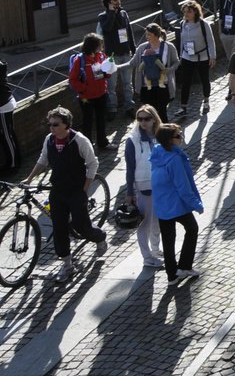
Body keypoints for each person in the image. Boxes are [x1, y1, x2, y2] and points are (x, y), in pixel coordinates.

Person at [28, 106, 107, 283]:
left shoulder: (79, 141)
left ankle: (100, 237)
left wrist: (85, 189)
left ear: (66, 125)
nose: (52, 128)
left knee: (81, 226)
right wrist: (29, 178)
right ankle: (66, 264)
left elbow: (93, 164)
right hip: (58, 190)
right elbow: (43, 160)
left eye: (55, 124)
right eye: (50, 124)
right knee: (59, 228)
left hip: (76, 190)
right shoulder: (49, 140)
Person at [150, 122, 204, 284]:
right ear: (169, 140)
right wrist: (196, 204)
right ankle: (185, 266)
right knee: (192, 229)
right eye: (178, 136)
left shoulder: (157, 153)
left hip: (162, 205)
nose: (181, 138)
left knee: (168, 240)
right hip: (176, 204)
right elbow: (183, 186)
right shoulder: (174, 159)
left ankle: (172, 275)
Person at [121, 105, 162, 267]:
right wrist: (130, 192)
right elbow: (130, 168)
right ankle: (147, 257)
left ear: (154, 119)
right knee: (145, 222)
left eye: (146, 119)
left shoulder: (160, 135)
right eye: (140, 119)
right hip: (144, 183)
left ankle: (155, 248)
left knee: (157, 218)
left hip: (160, 183)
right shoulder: (133, 140)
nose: (143, 122)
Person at [66, 32, 114, 150]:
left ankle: (103, 142)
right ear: (92, 46)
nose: (101, 47)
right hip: (86, 97)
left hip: (101, 93)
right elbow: (72, 79)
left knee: (101, 120)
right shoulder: (80, 60)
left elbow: (106, 72)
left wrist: (108, 72)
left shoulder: (101, 56)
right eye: (99, 45)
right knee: (87, 121)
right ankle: (86, 146)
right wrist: (84, 89)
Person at [97, 0, 139, 114]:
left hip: (126, 53)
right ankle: (112, 108)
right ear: (108, 2)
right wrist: (111, 12)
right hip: (111, 56)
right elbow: (108, 28)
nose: (118, 1)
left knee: (128, 83)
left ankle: (129, 106)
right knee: (111, 86)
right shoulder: (103, 16)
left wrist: (134, 49)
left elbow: (128, 32)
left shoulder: (123, 14)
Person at [172, 0, 214, 120]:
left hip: (202, 56)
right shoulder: (182, 24)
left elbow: (210, 41)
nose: (186, 14)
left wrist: (212, 56)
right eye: (184, 12)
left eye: (189, 12)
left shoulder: (203, 24)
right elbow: (182, 42)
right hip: (187, 57)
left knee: (204, 79)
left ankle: (206, 100)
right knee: (186, 82)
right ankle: (183, 107)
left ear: (195, 12)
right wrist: (181, 56)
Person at [134, 24, 178, 121]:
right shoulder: (142, 48)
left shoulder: (169, 47)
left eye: (149, 35)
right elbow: (133, 62)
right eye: (146, 34)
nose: (146, 37)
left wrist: (169, 69)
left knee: (162, 112)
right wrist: (116, 67)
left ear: (156, 35)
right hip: (147, 87)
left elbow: (176, 62)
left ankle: (165, 133)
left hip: (163, 85)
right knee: (150, 114)